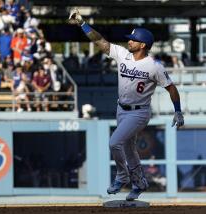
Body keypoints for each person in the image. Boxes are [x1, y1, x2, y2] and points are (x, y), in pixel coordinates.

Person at [69, 9, 184, 201]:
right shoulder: (123, 54)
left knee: (114, 142)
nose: (129, 41)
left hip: (139, 112)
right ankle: (139, 183)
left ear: (143, 45)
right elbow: (100, 41)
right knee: (130, 149)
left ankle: (122, 176)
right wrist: (82, 23)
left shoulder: (154, 66)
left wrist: (178, 111)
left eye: (133, 39)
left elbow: (171, 88)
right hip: (121, 108)